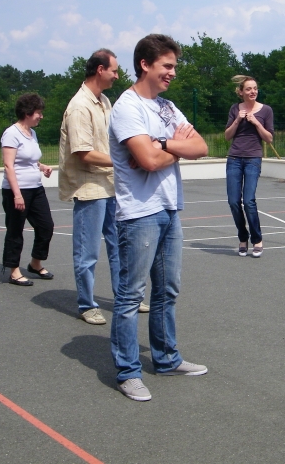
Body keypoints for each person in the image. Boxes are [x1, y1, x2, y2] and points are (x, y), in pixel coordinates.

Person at [109, 34, 209, 401]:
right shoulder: (127, 108)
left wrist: (163, 144)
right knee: (131, 295)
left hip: (169, 208)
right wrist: (169, 149)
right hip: (139, 214)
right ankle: (128, 372)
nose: (172, 74)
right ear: (145, 65)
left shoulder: (166, 108)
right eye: (167, 66)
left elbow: (201, 146)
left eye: (174, 67)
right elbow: (144, 162)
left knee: (166, 290)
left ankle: (166, 358)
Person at [59, 50, 149, 325]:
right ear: (100, 70)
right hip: (90, 188)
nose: (118, 75)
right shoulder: (79, 106)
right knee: (87, 252)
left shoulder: (104, 101)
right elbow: (83, 153)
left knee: (118, 246)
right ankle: (87, 304)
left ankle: (125, 297)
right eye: (114, 70)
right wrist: (124, 161)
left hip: (110, 186)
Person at [0, 93, 54, 286]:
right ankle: (14, 270)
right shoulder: (11, 133)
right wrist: (17, 194)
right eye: (39, 112)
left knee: (46, 226)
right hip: (17, 190)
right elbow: (9, 165)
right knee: (15, 230)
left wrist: (42, 167)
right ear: (27, 112)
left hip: (36, 189)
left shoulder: (32, 133)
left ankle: (35, 263)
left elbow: (29, 159)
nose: (41, 116)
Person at [224, 75, 274, 258]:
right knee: (233, 201)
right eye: (248, 89)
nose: (253, 91)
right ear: (241, 92)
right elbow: (227, 136)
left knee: (249, 201)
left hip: (253, 158)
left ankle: (257, 239)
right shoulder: (234, 109)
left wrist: (256, 122)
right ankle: (242, 237)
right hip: (234, 158)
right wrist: (237, 120)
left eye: (255, 88)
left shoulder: (266, 110)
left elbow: (269, 138)